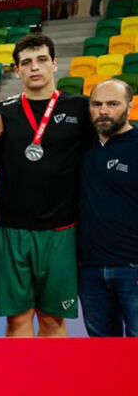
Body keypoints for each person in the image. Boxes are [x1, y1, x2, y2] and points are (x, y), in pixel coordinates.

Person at [0, 33, 94, 337]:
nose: (34, 67)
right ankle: (21, 371)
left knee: (53, 319)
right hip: (11, 229)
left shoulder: (80, 108)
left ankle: (52, 372)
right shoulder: (3, 111)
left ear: (55, 64)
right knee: (17, 319)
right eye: (26, 62)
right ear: (17, 70)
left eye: (42, 60)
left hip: (61, 229)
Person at [79, 78, 138, 336]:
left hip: (132, 269)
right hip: (90, 270)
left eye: (113, 104)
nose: (103, 111)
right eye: (96, 104)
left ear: (129, 106)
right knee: (102, 352)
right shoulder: (81, 146)